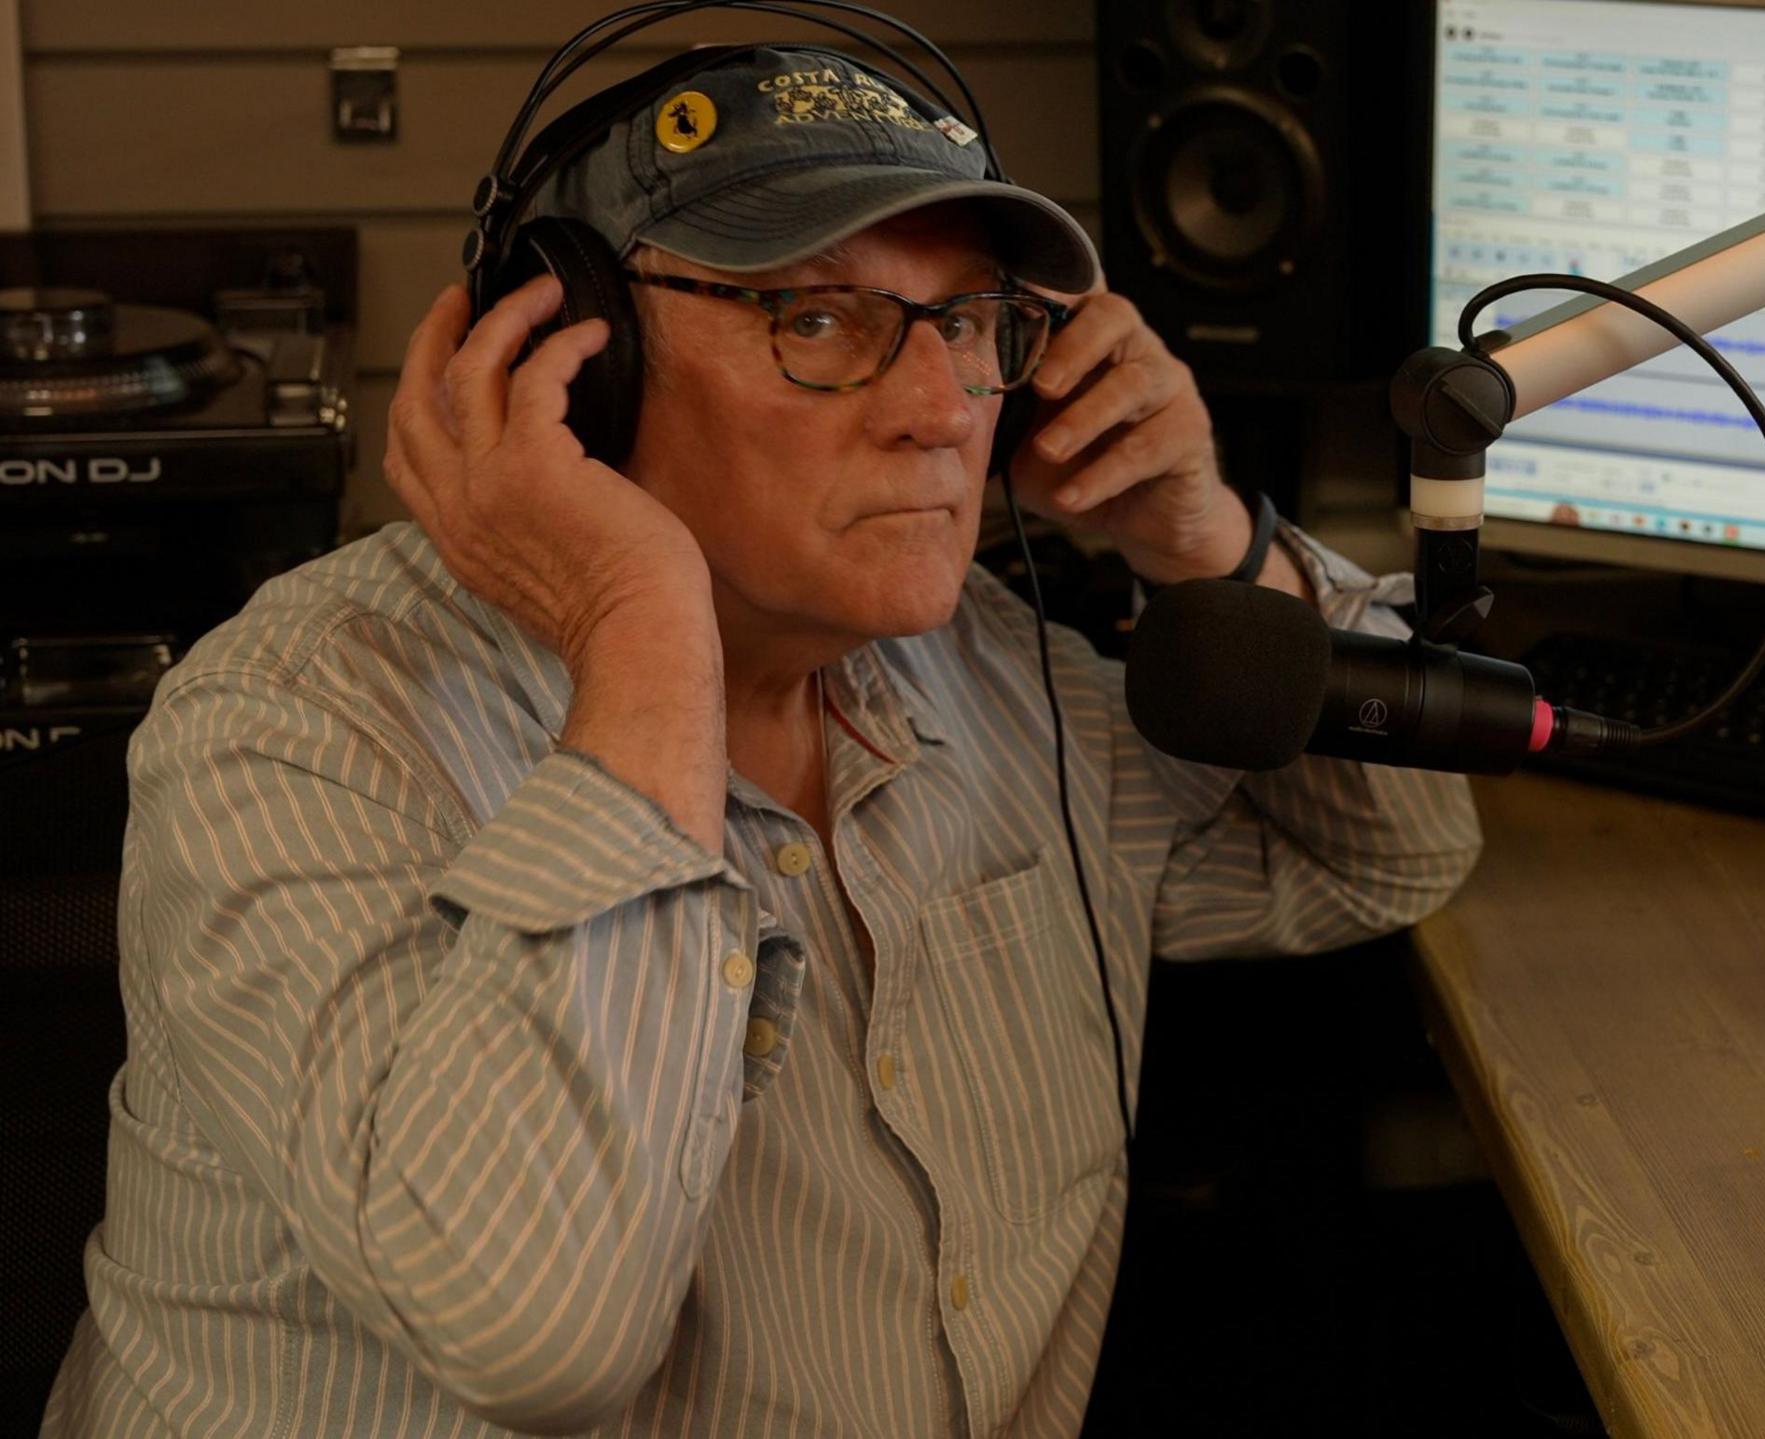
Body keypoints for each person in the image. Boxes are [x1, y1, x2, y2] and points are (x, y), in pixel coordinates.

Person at [43, 42, 1478, 1439]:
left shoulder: (980, 663)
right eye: (815, 319)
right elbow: (539, 1340)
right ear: (572, 367)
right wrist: (644, 635)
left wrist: (1206, 543)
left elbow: (1391, 850)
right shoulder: (295, 728)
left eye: (970, 322)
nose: (938, 415)